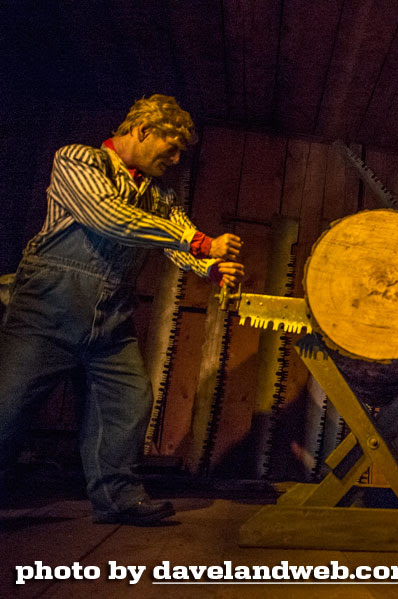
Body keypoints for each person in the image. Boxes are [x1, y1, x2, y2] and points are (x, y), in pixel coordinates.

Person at [0, 95, 244, 526]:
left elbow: (177, 238)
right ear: (143, 130)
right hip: (49, 307)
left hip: (111, 317)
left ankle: (117, 498)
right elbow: (110, 218)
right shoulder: (79, 160)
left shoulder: (159, 195)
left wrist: (210, 267)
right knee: (9, 403)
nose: (176, 159)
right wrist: (201, 243)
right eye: (171, 147)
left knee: (128, 400)